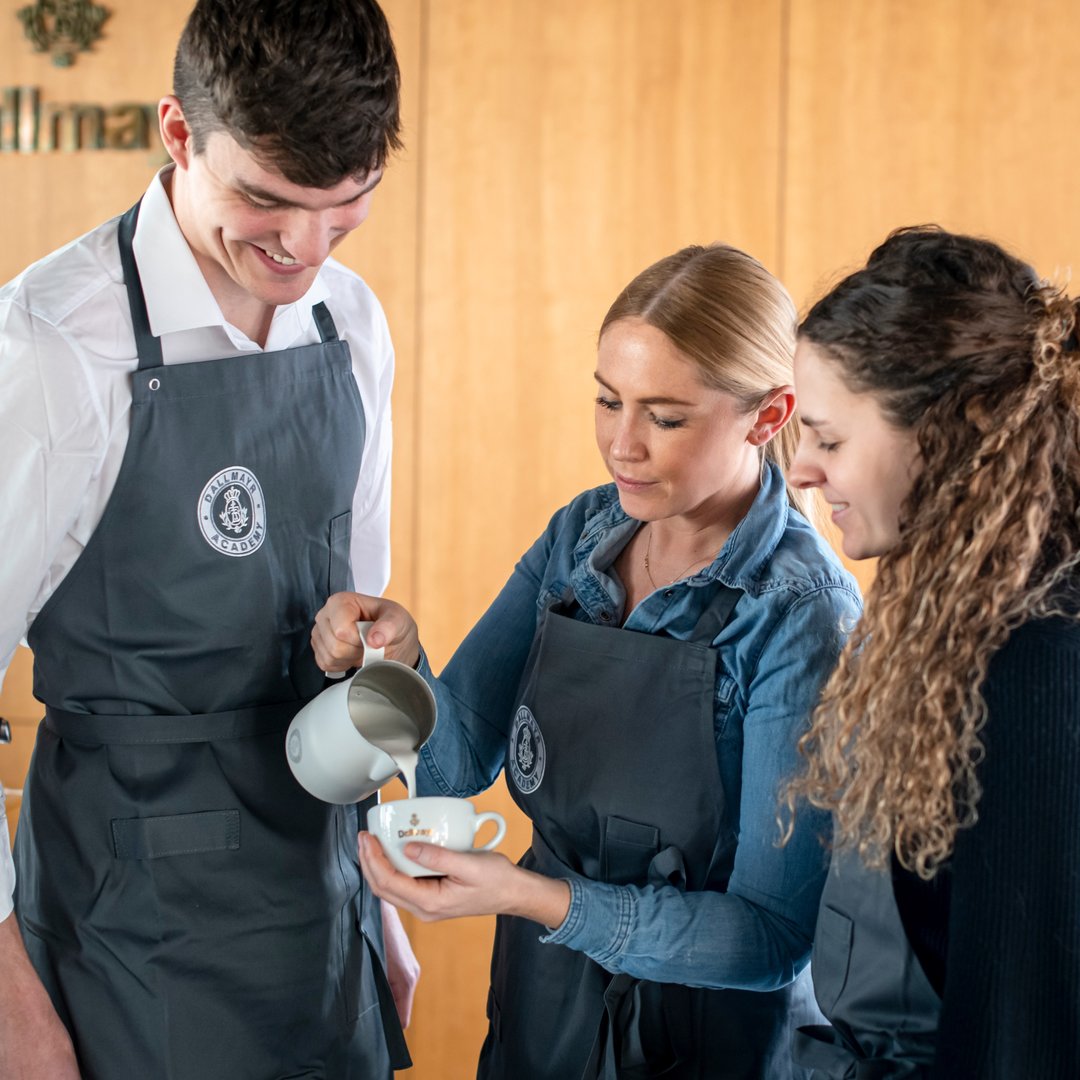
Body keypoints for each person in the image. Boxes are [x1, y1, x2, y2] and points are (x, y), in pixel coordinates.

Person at [313, 244, 864, 1078]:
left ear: (769, 414)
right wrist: (400, 657)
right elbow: (454, 765)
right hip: (544, 1008)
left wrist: (532, 897)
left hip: (707, 1040)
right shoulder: (581, 537)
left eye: (665, 417)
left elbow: (771, 942)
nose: (623, 446)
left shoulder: (799, 611)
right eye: (608, 402)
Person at [0, 1, 419, 1076]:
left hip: (324, 912)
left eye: (345, 207)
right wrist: (7, 1002)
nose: (303, 249)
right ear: (179, 135)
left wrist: (383, 905)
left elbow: (355, 636)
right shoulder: (52, 346)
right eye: (266, 201)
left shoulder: (350, 324)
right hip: (128, 930)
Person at [785, 225, 1080, 1078]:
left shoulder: (1038, 658)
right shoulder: (953, 592)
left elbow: (1018, 1039)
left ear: (956, 427)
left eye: (830, 439)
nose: (800, 470)